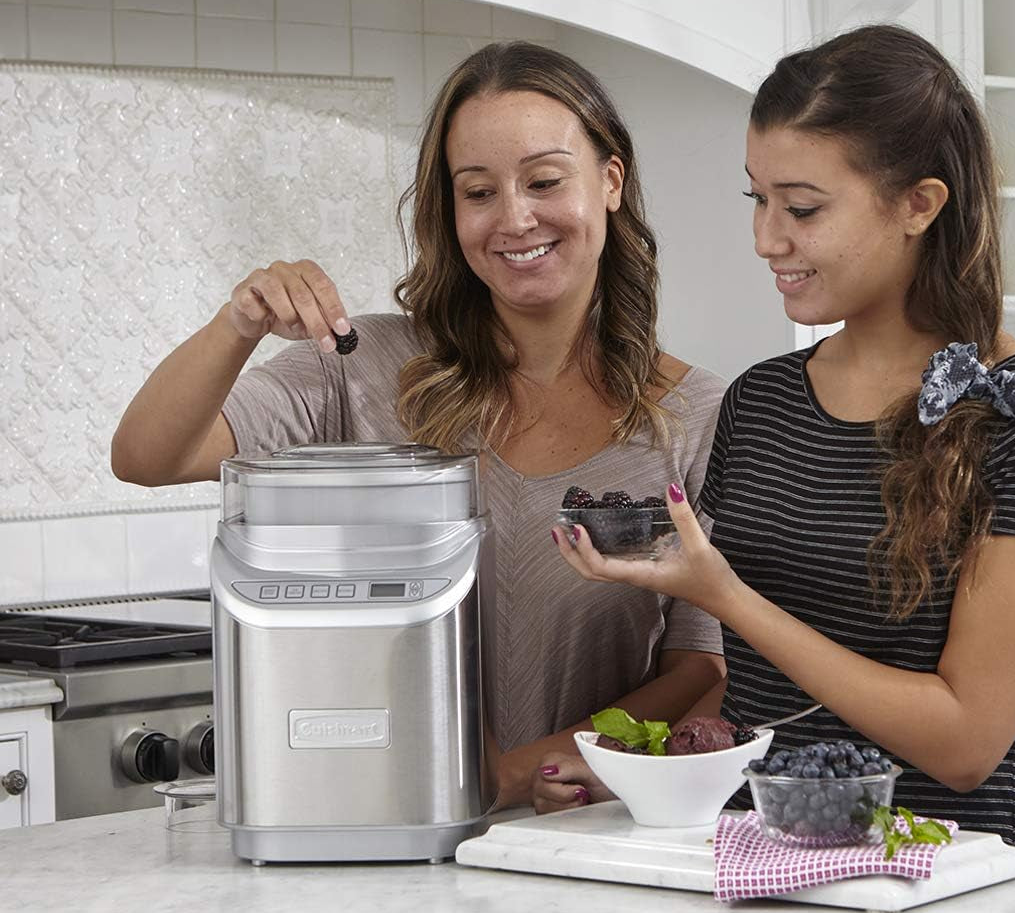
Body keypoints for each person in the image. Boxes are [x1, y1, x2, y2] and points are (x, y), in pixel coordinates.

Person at [551, 23, 1015, 873]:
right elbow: (754, 686)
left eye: (803, 208)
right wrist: (626, 761)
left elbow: (965, 742)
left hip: (957, 892)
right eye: (758, 200)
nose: (767, 239)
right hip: (765, 876)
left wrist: (728, 598)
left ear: (919, 205)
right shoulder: (762, 401)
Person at [111, 40, 726, 811]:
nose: (513, 218)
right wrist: (237, 323)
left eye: (543, 180)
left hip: (590, 833)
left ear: (609, 181)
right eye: (478, 191)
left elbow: (702, 666)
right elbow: (147, 456)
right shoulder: (359, 367)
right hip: (382, 829)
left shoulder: (696, 416)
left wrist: (514, 773)